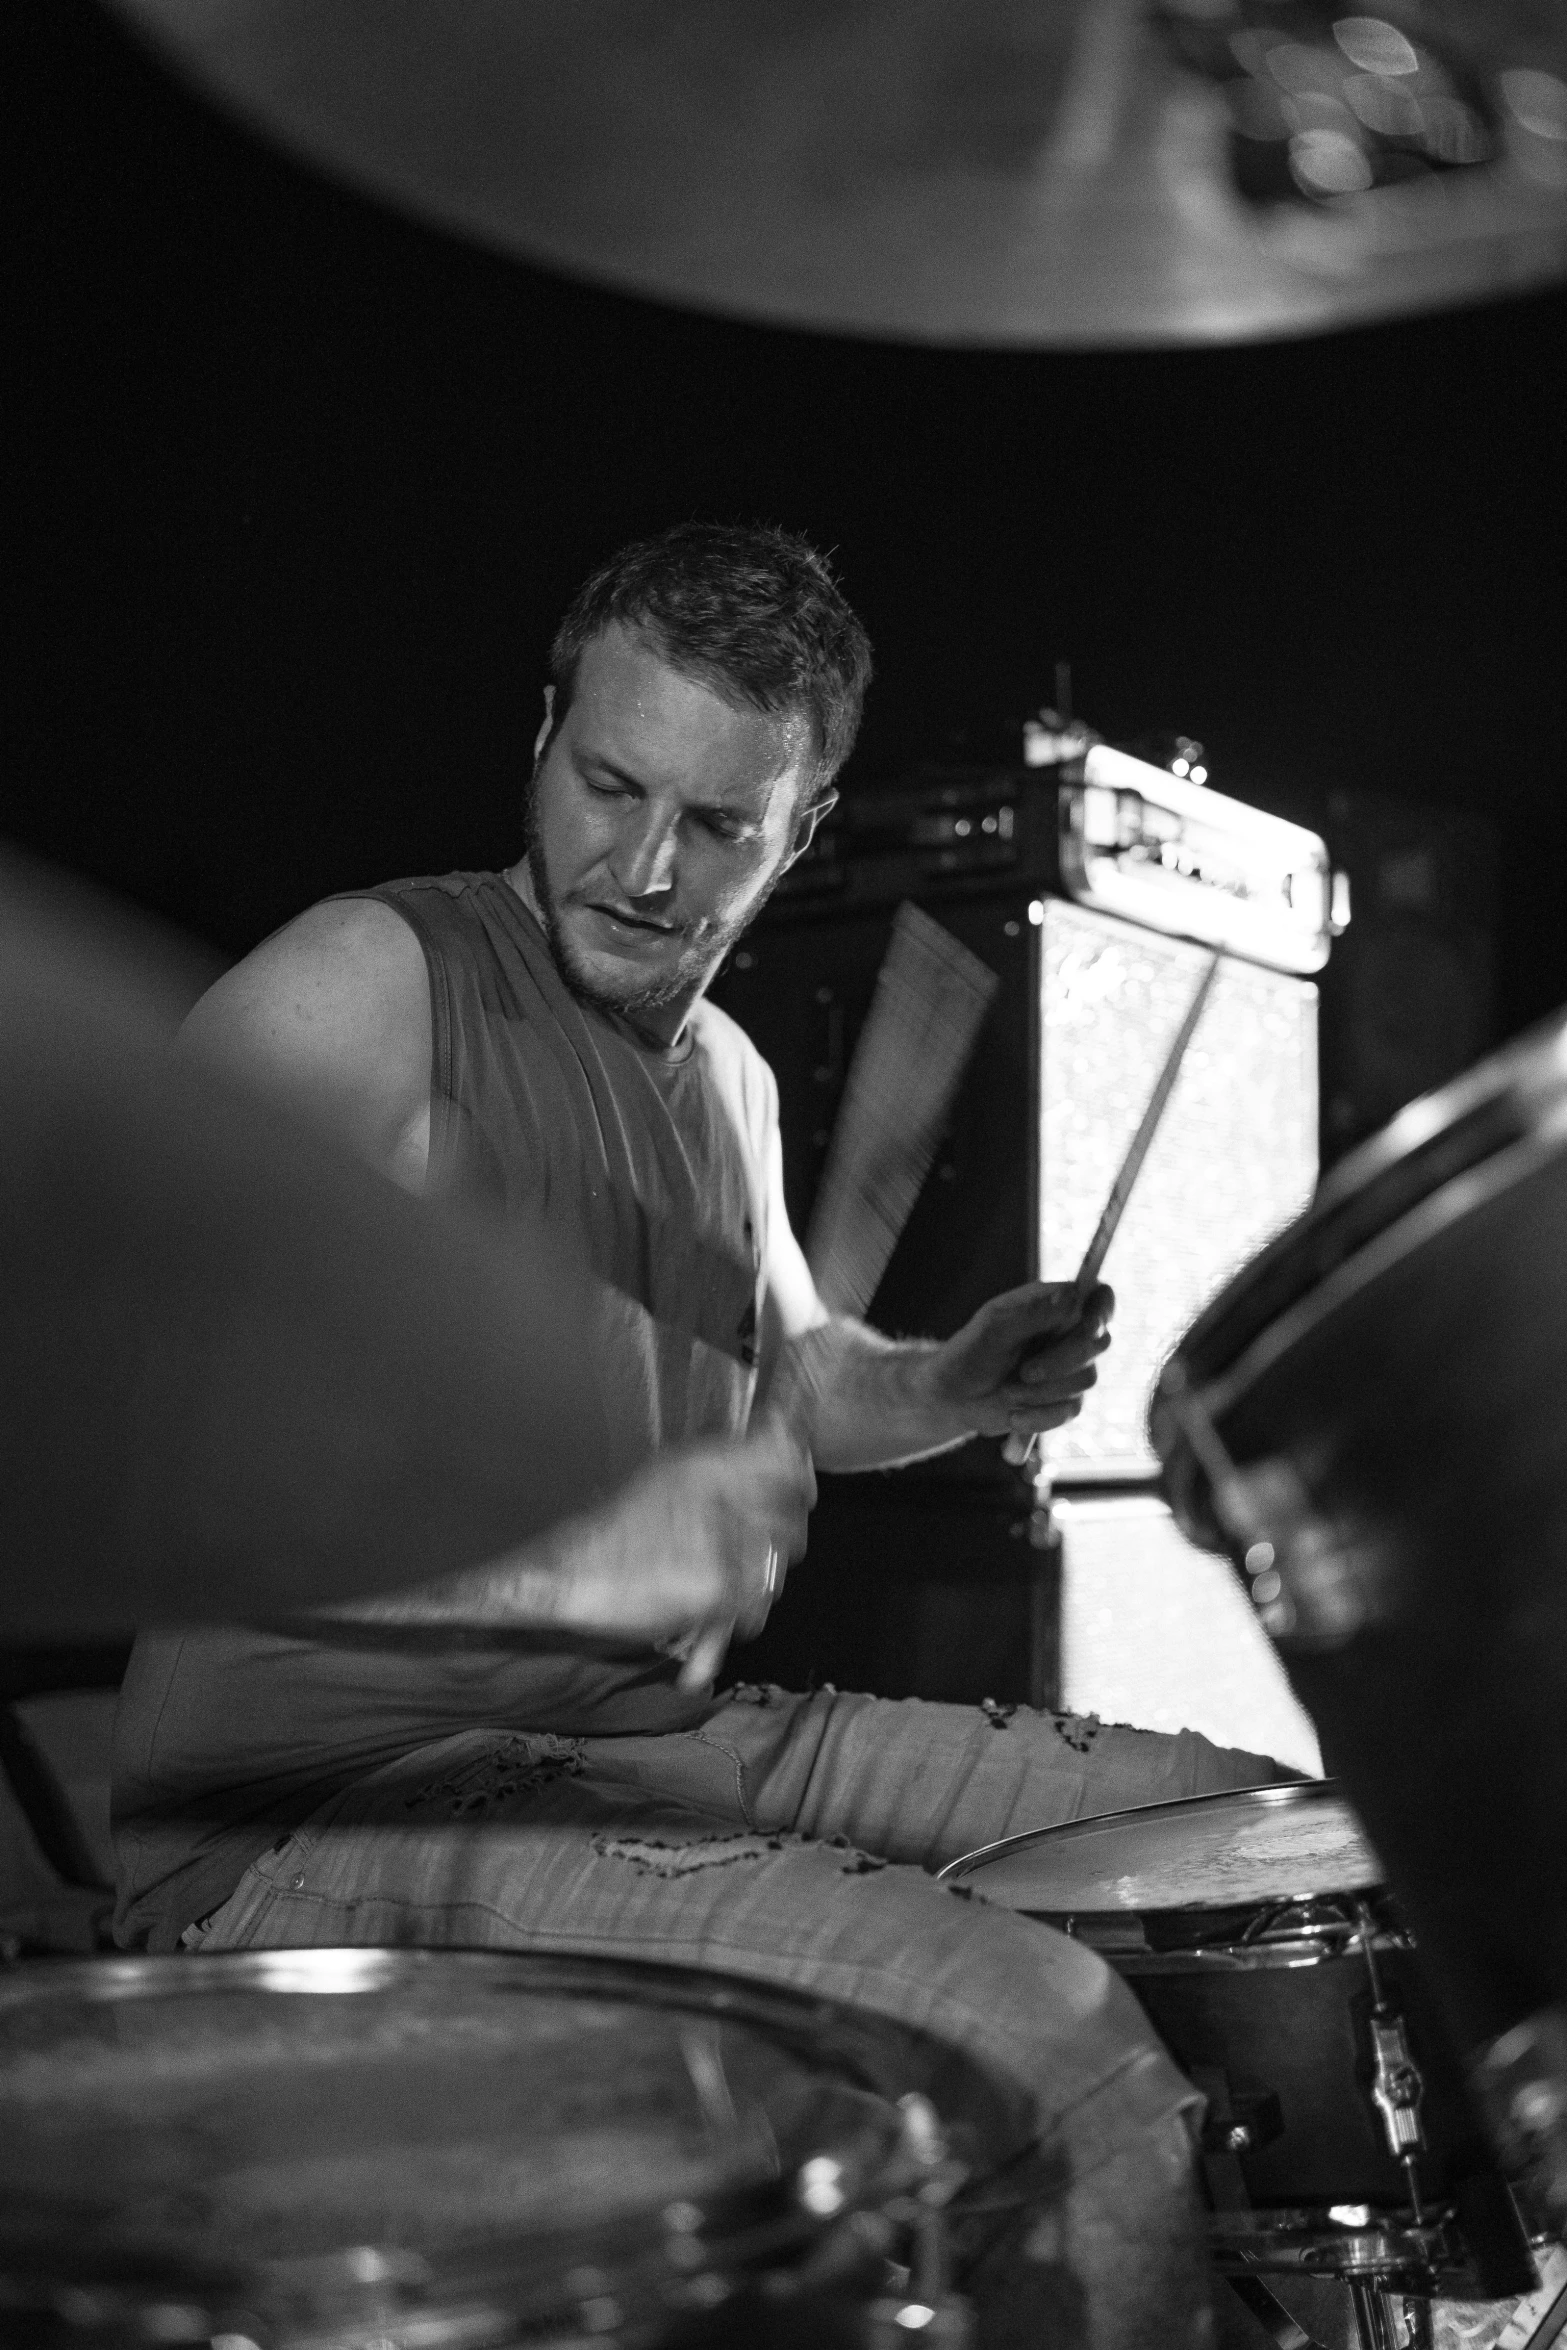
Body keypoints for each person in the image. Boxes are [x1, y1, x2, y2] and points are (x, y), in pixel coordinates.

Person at [113, 523, 1282, 2346]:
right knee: (1053, 2047)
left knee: (1246, 1829)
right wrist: (568, 1557)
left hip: (661, 1739)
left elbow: (799, 1376)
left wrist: (953, 1384)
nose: (647, 866)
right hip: (309, 1812)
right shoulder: (375, 982)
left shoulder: (722, 1076)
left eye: (719, 824)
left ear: (798, 829)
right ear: (544, 734)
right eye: (608, 785)